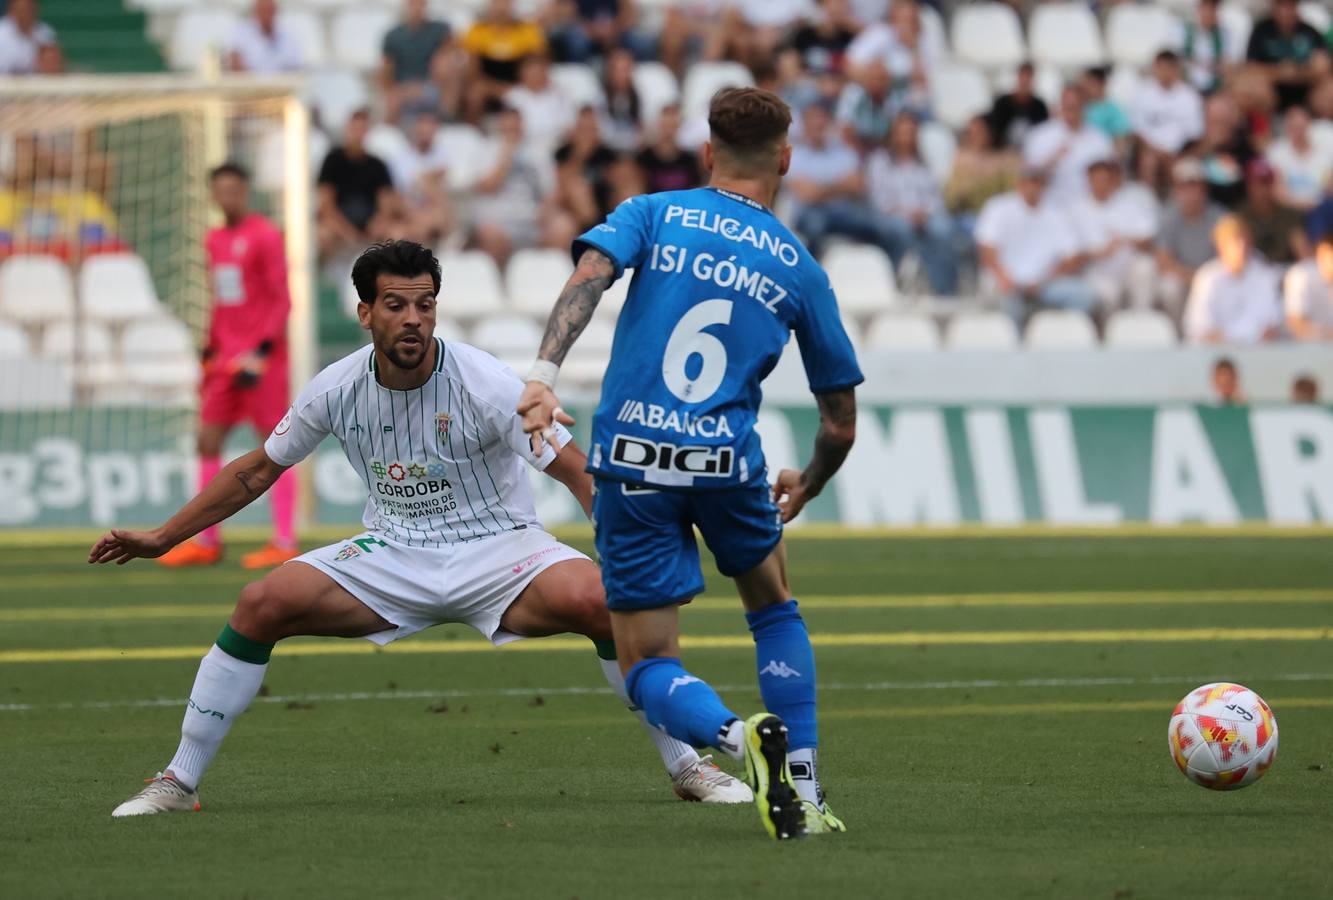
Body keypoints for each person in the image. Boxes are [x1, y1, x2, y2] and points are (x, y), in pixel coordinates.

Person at [94, 240, 751, 817]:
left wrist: (630, 563)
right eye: (395, 305)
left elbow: (577, 474)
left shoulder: (486, 382)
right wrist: (164, 536)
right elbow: (256, 471)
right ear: (364, 313)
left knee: (603, 604)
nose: (412, 319)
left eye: (424, 305)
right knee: (260, 602)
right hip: (394, 553)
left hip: (502, 550)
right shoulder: (335, 387)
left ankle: (687, 767)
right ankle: (180, 779)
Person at [516, 87, 863, 840]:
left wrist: (541, 377)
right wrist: (808, 480)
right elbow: (839, 422)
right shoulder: (800, 267)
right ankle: (802, 787)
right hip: (727, 465)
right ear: (786, 160)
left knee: (645, 665)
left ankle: (740, 742)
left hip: (632, 459)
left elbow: (587, 279)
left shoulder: (655, 211)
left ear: (707, 153)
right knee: (773, 607)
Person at [156, 164, 298, 570]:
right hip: (226, 360)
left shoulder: (265, 235)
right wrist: (209, 346)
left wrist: (263, 349)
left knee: (275, 446)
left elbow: (281, 299)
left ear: (246, 191)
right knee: (206, 438)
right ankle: (207, 540)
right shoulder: (214, 239)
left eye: (234, 189)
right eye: (220, 191)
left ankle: (285, 540)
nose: (228, 197)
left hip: (263, 361)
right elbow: (221, 300)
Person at [975, 165, 1097, 323]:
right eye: (1029, 182)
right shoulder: (999, 207)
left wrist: (1045, 281)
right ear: (1020, 183)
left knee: (1084, 296)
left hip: (1045, 284)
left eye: (1037, 182)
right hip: (1007, 280)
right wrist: (1004, 277)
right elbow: (986, 249)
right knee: (1006, 297)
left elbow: (1071, 257)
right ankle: (1012, 344)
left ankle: (1063, 340)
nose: (1033, 187)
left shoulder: (1055, 214)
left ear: (1044, 185)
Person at [786, 101, 893, 261]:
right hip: (809, 213)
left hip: (843, 212)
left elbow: (857, 185)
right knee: (815, 227)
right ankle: (813, 277)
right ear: (805, 124)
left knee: (880, 227)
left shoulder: (844, 152)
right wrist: (839, 186)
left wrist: (821, 189)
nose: (818, 125)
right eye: (813, 120)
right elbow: (807, 194)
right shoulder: (794, 155)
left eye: (822, 120)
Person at [866, 112, 959, 294]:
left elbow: (935, 198)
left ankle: (943, 289)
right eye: (903, 132)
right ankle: (902, 282)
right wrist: (907, 213)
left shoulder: (923, 163)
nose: (907, 137)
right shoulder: (880, 161)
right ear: (894, 134)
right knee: (901, 230)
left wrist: (924, 213)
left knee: (944, 229)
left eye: (911, 132)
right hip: (893, 215)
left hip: (924, 216)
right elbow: (879, 200)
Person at [471, 106, 578, 265]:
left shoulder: (536, 152)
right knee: (489, 234)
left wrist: (546, 211)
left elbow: (551, 191)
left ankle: (551, 280)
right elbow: (487, 186)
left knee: (564, 226)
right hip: (499, 221)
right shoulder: (487, 148)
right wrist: (507, 152)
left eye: (516, 123)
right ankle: (498, 285)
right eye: (508, 123)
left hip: (532, 219)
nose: (513, 128)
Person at [315, 111, 410, 262]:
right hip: (340, 224)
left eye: (362, 129)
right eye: (355, 129)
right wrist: (348, 232)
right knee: (323, 234)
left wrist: (376, 225)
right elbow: (327, 205)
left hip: (370, 226)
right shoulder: (333, 160)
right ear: (347, 130)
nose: (358, 134)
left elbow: (386, 205)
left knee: (398, 234)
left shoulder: (377, 164)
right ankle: (328, 279)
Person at [1070, 158, 1158, 313]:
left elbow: (1148, 241)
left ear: (1111, 181)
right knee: (1108, 293)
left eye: (1104, 180)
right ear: (1088, 181)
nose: (1100, 184)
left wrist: (1126, 240)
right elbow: (1072, 255)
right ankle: (1112, 334)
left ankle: (1142, 320)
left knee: (1145, 267)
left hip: (1127, 265)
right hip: (1097, 271)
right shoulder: (1076, 210)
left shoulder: (1129, 203)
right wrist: (1099, 253)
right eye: (1095, 180)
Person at [1184, 215, 1282, 344]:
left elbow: (1272, 324)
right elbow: (1200, 327)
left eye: (1245, 240)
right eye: (1235, 240)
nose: (1242, 247)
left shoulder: (1265, 275)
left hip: (1258, 354)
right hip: (1216, 355)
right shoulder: (1207, 278)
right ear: (1221, 245)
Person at [1023, 85, 1115, 208]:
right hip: (1050, 205)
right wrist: (1052, 161)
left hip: (1089, 207)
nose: (1071, 113)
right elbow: (1028, 179)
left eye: (1076, 107)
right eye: (1067, 107)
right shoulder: (1040, 136)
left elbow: (1110, 178)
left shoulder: (1100, 139)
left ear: (1085, 107)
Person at [1156, 158, 1227, 317]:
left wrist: (1204, 279)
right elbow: (1163, 260)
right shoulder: (1169, 215)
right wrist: (1193, 278)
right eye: (1185, 188)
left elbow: (1228, 259)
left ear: (1205, 189)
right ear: (1176, 191)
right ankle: (1178, 335)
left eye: (1195, 187)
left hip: (1214, 279)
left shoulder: (1220, 217)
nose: (1191, 194)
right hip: (1183, 277)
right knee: (1169, 287)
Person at [1130, 51, 1204, 194]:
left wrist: (1178, 153)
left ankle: (1177, 204)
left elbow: (1195, 133)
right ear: (1154, 68)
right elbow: (1137, 130)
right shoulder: (1142, 94)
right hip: (1150, 150)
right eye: (1161, 68)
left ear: (1176, 69)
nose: (1165, 73)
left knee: (1180, 165)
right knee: (1148, 162)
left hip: (1180, 151)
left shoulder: (1189, 96)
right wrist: (1158, 151)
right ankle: (1149, 203)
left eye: (1169, 68)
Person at [462, 0, 548, 120]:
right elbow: (473, 71)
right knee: (475, 92)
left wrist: (515, 89)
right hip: (488, 86)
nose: (501, 8)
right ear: (490, 5)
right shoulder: (477, 31)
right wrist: (496, 89)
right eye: (497, 2)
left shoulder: (527, 31)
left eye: (505, 2)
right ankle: (474, 133)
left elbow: (536, 64)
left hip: (519, 85)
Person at [380, 0, 458, 123]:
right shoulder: (393, 36)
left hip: (432, 87)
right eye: (413, 3)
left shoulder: (440, 30)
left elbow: (448, 58)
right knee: (393, 100)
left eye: (420, 3)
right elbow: (386, 72)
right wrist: (398, 90)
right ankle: (389, 134)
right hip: (403, 89)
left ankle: (446, 120)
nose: (417, 7)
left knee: (449, 73)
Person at [1245, 0, 1330, 110]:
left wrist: (1297, 72)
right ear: (1273, 8)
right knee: (1252, 87)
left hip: (1306, 89)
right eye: (1281, 6)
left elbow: (1323, 67)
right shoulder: (1261, 31)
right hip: (1273, 89)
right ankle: (1262, 125)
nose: (1286, 11)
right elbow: (1251, 68)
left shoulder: (1310, 32)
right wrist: (1279, 72)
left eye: (1290, 6)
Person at [386, 109, 453, 246]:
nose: (426, 130)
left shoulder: (443, 156)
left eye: (431, 125)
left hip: (433, 214)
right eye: (423, 125)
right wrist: (416, 216)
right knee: (398, 233)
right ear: (416, 128)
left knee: (439, 215)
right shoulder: (400, 158)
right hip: (408, 214)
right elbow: (396, 196)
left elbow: (440, 194)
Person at [1237, 158, 1308, 264]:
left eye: (1266, 183)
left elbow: (1304, 254)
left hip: (1283, 269)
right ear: (1248, 186)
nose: (1262, 189)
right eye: (1256, 184)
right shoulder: (1239, 216)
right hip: (1251, 272)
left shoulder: (1288, 214)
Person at [1267, 105, 1333, 212]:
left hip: (1322, 208)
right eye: (1293, 127)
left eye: (1301, 126)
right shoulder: (1276, 153)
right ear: (1286, 127)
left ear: (1309, 125)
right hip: (1288, 209)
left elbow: (1330, 186)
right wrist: (1301, 205)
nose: (1298, 131)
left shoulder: (1325, 152)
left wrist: (1318, 204)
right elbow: (1277, 189)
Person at [1175, 0, 1242, 94]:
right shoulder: (1183, 31)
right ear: (1199, 9)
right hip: (1186, 87)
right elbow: (1177, 60)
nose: (1208, 12)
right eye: (1205, 7)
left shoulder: (1225, 35)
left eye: (1212, 8)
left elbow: (1229, 65)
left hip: (1216, 87)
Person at [635, 103, 702, 194]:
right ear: (659, 123)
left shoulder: (689, 160)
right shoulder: (644, 157)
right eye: (666, 123)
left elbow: (694, 188)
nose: (669, 128)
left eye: (673, 124)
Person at [227, 0, 302, 74]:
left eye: (269, 10)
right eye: (262, 10)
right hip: (249, 85)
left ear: (276, 11)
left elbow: (295, 67)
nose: (266, 15)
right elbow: (235, 65)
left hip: (283, 84)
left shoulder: (289, 35)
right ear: (255, 12)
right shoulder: (241, 32)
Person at [986, 62, 1049, 151]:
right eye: (1023, 77)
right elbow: (993, 131)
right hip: (1003, 154)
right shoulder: (1002, 103)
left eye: (1028, 78)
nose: (1025, 82)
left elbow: (1044, 133)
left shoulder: (1040, 106)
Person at [1283, 231, 1333, 340]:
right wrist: (1327, 334)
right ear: (1321, 253)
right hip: (1304, 351)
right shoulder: (1301, 275)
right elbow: (1296, 325)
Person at [0, 0, 59, 75]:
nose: (24, 13)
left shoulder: (45, 33)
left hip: (35, 84)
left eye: (27, 9)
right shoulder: (1, 32)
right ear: (12, 10)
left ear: (34, 9)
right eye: (20, 9)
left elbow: (54, 67)